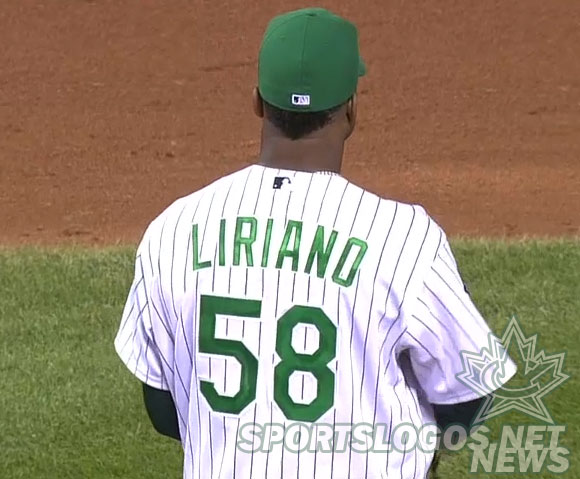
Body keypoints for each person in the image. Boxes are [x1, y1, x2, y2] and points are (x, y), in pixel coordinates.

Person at [114, 7, 516, 479]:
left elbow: (164, 409)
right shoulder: (404, 238)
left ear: (258, 103)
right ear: (350, 110)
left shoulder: (173, 231)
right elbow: (467, 396)